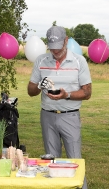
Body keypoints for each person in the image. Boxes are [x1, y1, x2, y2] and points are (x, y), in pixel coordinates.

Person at [27, 26, 92, 189]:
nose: (55, 52)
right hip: (47, 116)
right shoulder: (41, 60)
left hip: (70, 116)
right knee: (51, 161)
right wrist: (41, 85)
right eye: (52, 48)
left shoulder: (79, 61)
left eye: (58, 47)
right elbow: (30, 91)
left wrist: (66, 95)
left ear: (66, 41)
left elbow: (87, 92)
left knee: (74, 160)